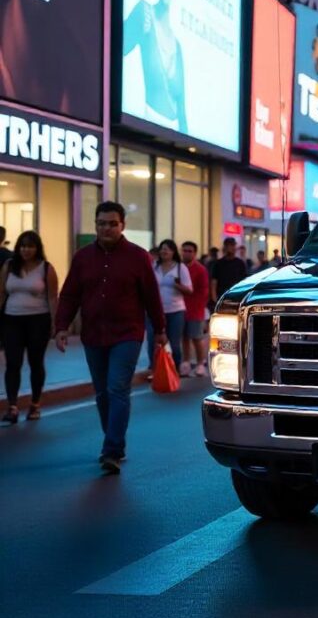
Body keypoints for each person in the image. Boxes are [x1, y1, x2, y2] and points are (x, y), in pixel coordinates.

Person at [54, 202, 166, 475]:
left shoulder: (138, 257)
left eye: (112, 223)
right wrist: (61, 327)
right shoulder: (82, 258)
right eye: (102, 223)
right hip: (93, 334)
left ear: (122, 225)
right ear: (95, 225)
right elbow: (69, 294)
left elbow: (151, 295)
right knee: (102, 393)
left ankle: (112, 450)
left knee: (117, 388)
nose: (106, 228)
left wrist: (160, 330)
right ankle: (114, 439)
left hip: (127, 333)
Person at [122, 0, 186, 132]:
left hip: (177, 146)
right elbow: (110, 54)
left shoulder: (178, 46)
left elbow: (182, 114)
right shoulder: (144, 13)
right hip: (144, 130)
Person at [0, 230, 58, 423]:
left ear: (37, 248)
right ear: (18, 248)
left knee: (35, 362)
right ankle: (13, 406)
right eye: (23, 246)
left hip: (38, 320)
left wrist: (55, 323)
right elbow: (1, 293)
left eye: (30, 246)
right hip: (12, 319)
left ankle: (35, 404)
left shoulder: (46, 268)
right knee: (12, 363)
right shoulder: (9, 266)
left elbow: (52, 297)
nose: (26, 250)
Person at [146, 239, 191, 373]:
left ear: (173, 252)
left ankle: (173, 369)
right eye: (162, 248)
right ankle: (154, 369)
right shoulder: (154, 267)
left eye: (167, 249)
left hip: (176, 310)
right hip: (155, 311)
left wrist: (178, 285)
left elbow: (189, 290)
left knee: (174, 343)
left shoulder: (180, 268)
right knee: (152, 341)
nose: (164, 251)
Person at [180, 241, 209, 377]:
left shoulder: (200, 270)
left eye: (189, 251)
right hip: (180, 309)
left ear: (195, 253)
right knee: (184, 338)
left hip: (195, 310)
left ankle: (200, 364)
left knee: (196, 338)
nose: (186, 253)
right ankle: (185, 362)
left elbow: (204, 292)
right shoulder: (178, 268)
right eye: (184, 250)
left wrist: (200, 310)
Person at [210, 237, 248, 304]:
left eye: (232, 245)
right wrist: (214, 298)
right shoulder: (218, 263)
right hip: (221, 296)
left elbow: (244, 281)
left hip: (237, 297)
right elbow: (214, 281)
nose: (230, 247)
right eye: (228, 245)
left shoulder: (240, 263)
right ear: (224, 247)